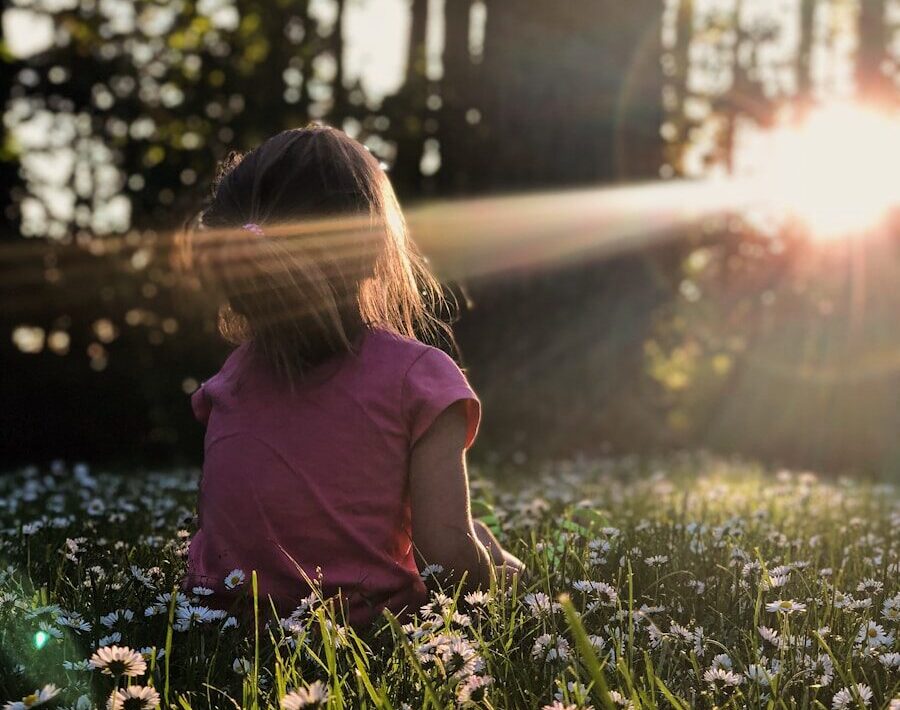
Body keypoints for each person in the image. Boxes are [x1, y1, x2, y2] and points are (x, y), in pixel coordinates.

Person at [181, 125, 523, 626]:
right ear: (369, 249)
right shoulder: (419, 379)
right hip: (365, 631)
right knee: (484, 548)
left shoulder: (230, 380)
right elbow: (447, 559)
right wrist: (503, 581)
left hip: (224, 623)